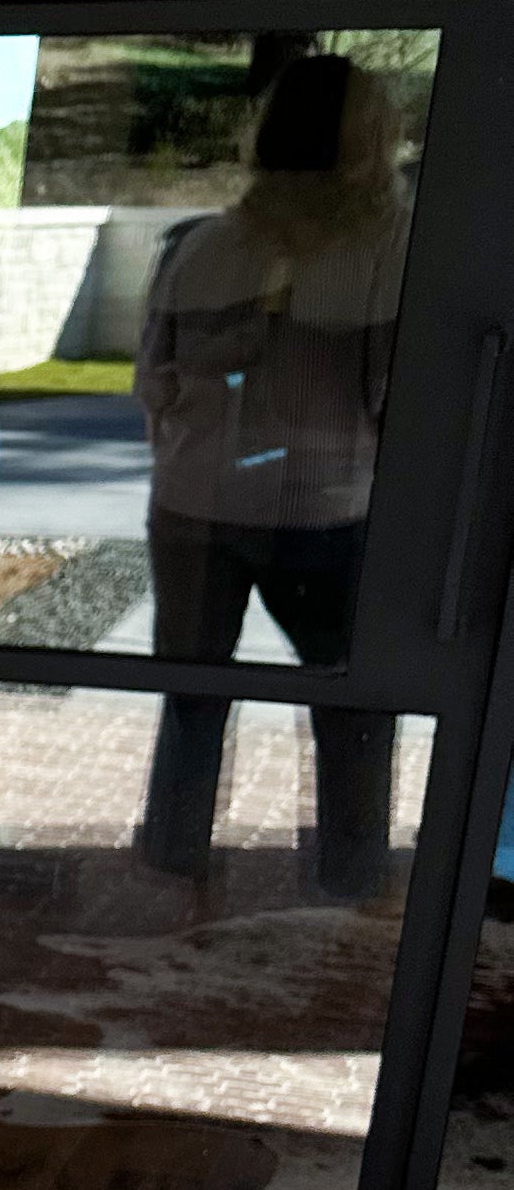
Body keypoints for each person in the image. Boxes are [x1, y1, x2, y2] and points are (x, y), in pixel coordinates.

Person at [132, 51, 411, 896]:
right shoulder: (392, 252)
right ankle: (351, 878)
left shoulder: (199, 246)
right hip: (330, 514)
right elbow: (388, 400)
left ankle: (173, 863)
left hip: (192, 505)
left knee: (191, 697)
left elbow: (154, 386)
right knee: (354, 707)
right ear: (373, 139)